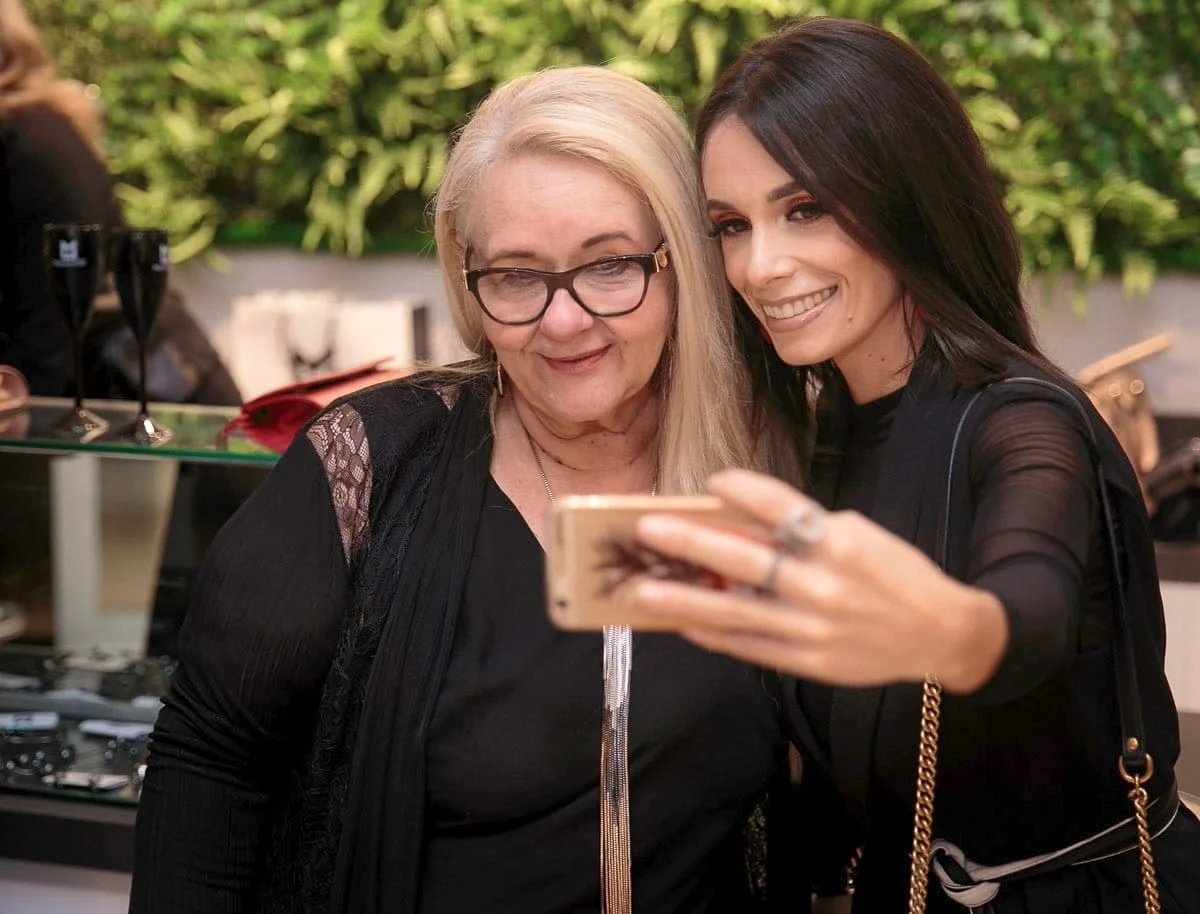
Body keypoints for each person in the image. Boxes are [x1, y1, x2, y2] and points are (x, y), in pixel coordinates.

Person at [130, 66, 800, 913]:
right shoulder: (368, 468)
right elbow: (210, 762)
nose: (564, 321)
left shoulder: (769, 457)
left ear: (683, 263)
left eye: (609, 265)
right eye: (517, 275)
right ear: (467, 271)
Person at [628, 17, 1200, 913]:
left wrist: (956, 633)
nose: (760, 266)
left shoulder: (1023, 421)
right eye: (731, 225)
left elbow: (1030, 605)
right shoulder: (823, 426)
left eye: (805, 209)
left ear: (905, 197)